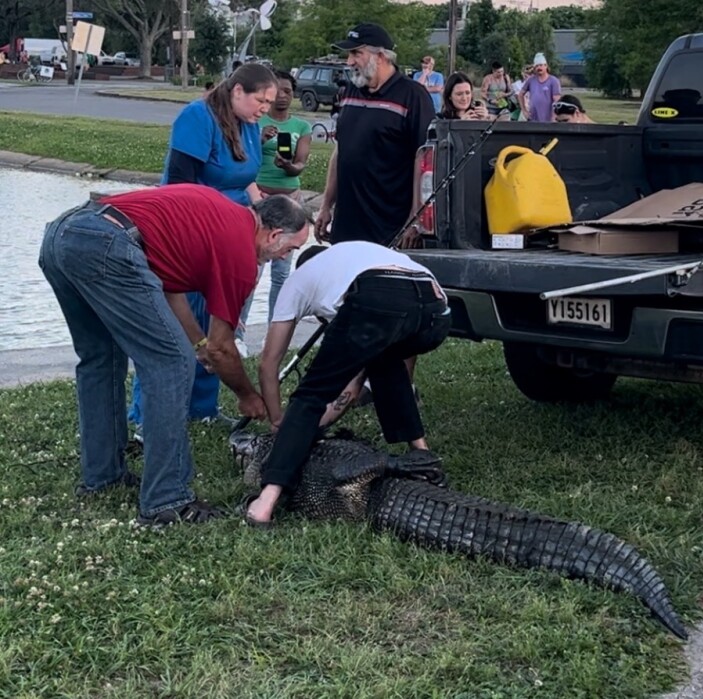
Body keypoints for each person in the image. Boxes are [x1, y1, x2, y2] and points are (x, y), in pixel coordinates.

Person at [39, 185, 311, 526]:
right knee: (170, 364)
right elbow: (223, 347)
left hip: (65, 233)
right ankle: (166, 500)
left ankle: (103, 477)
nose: (286, 257)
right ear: (273, 235)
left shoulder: (219, 215)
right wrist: (246, 396)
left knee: (101, 360)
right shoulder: (241, 252)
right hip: (108, 242)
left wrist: (197, 344)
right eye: (291, 248)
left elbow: (170, 290)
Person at [245, 242, 452, 526]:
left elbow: (268, 362)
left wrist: (279, 419)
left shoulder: (298, 280)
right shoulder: (353, 256)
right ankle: (423, 456)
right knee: (385, 361)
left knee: (310, 395)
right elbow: (353, 381)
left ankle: (265, 502)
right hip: (435, 311)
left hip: (379, 295)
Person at [127, 63, 277, 437]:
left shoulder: (251, 125)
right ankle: (146, 416)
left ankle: (202, 407)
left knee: (220, 320)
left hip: (233, 233)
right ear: (238, 91)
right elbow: (179, 185)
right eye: (261, 99)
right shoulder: (197, 117)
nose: (265, 108)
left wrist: (259, 219)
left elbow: (248, 179)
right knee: (177, 328)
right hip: (190, 232)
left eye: (270, 102)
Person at [313, 22, 435, 247]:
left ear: (381, 56)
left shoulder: (413, 96)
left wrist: (415, 218)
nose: (349, 61)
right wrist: (325, 206)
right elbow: (341, 150)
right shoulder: (350, 91)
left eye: (356, 53)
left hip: (390, 227)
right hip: (346, 224)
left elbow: (424, 160)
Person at [237, 70, 312, 344]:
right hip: (261, 197)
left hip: (290, 197)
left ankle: (273, 335)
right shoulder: (256, 122)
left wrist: (289, 165)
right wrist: (261, 140)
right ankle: (238, 335)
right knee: (250, 270)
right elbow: (240, 156)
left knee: (282, 271)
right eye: (278, 91)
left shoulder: (300, 127)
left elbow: (300, 162)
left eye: (288, 92)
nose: (283, 97)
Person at [518, 53, 562, 123]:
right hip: (533, 120)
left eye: (541, 65)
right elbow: (520, 95)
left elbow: (557, 100)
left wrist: (554, 116)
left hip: (549, 120)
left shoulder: (553, 81)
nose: (539, 68)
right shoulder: (531, 80)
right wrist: (524, 111)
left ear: (546, 66)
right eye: (537, 66)